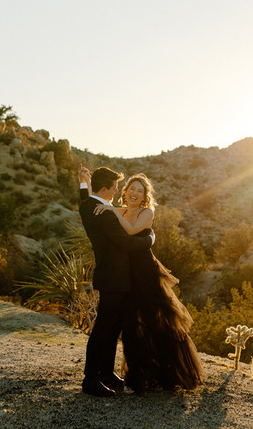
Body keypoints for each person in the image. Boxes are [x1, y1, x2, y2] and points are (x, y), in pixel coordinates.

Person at [82, 169, 204, 393]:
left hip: (145, 273)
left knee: (157, 322)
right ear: (125, 192)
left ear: (145, 195)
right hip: (127, 277)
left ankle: (168, 373)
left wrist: (150, 238)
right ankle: (135, 374)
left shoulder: (143, 212)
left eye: (140, 190)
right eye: (131, 189)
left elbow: (130, 232)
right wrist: (85, 184)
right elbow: (91, 204)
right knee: (131, 327)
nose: (134, 193)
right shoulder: (116, 209)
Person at [78, 165, 155, 398]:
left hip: (113, 276)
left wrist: (84, 183)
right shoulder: (103, 214)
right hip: (115, 278)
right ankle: (90, 379)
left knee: (112, 328)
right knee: (104, 329)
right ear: (104, 188)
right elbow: (129, 244)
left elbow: (85, 196)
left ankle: (106, 372)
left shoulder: (87, 205)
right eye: (114, 187)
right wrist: (150, 238)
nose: (116, 191)